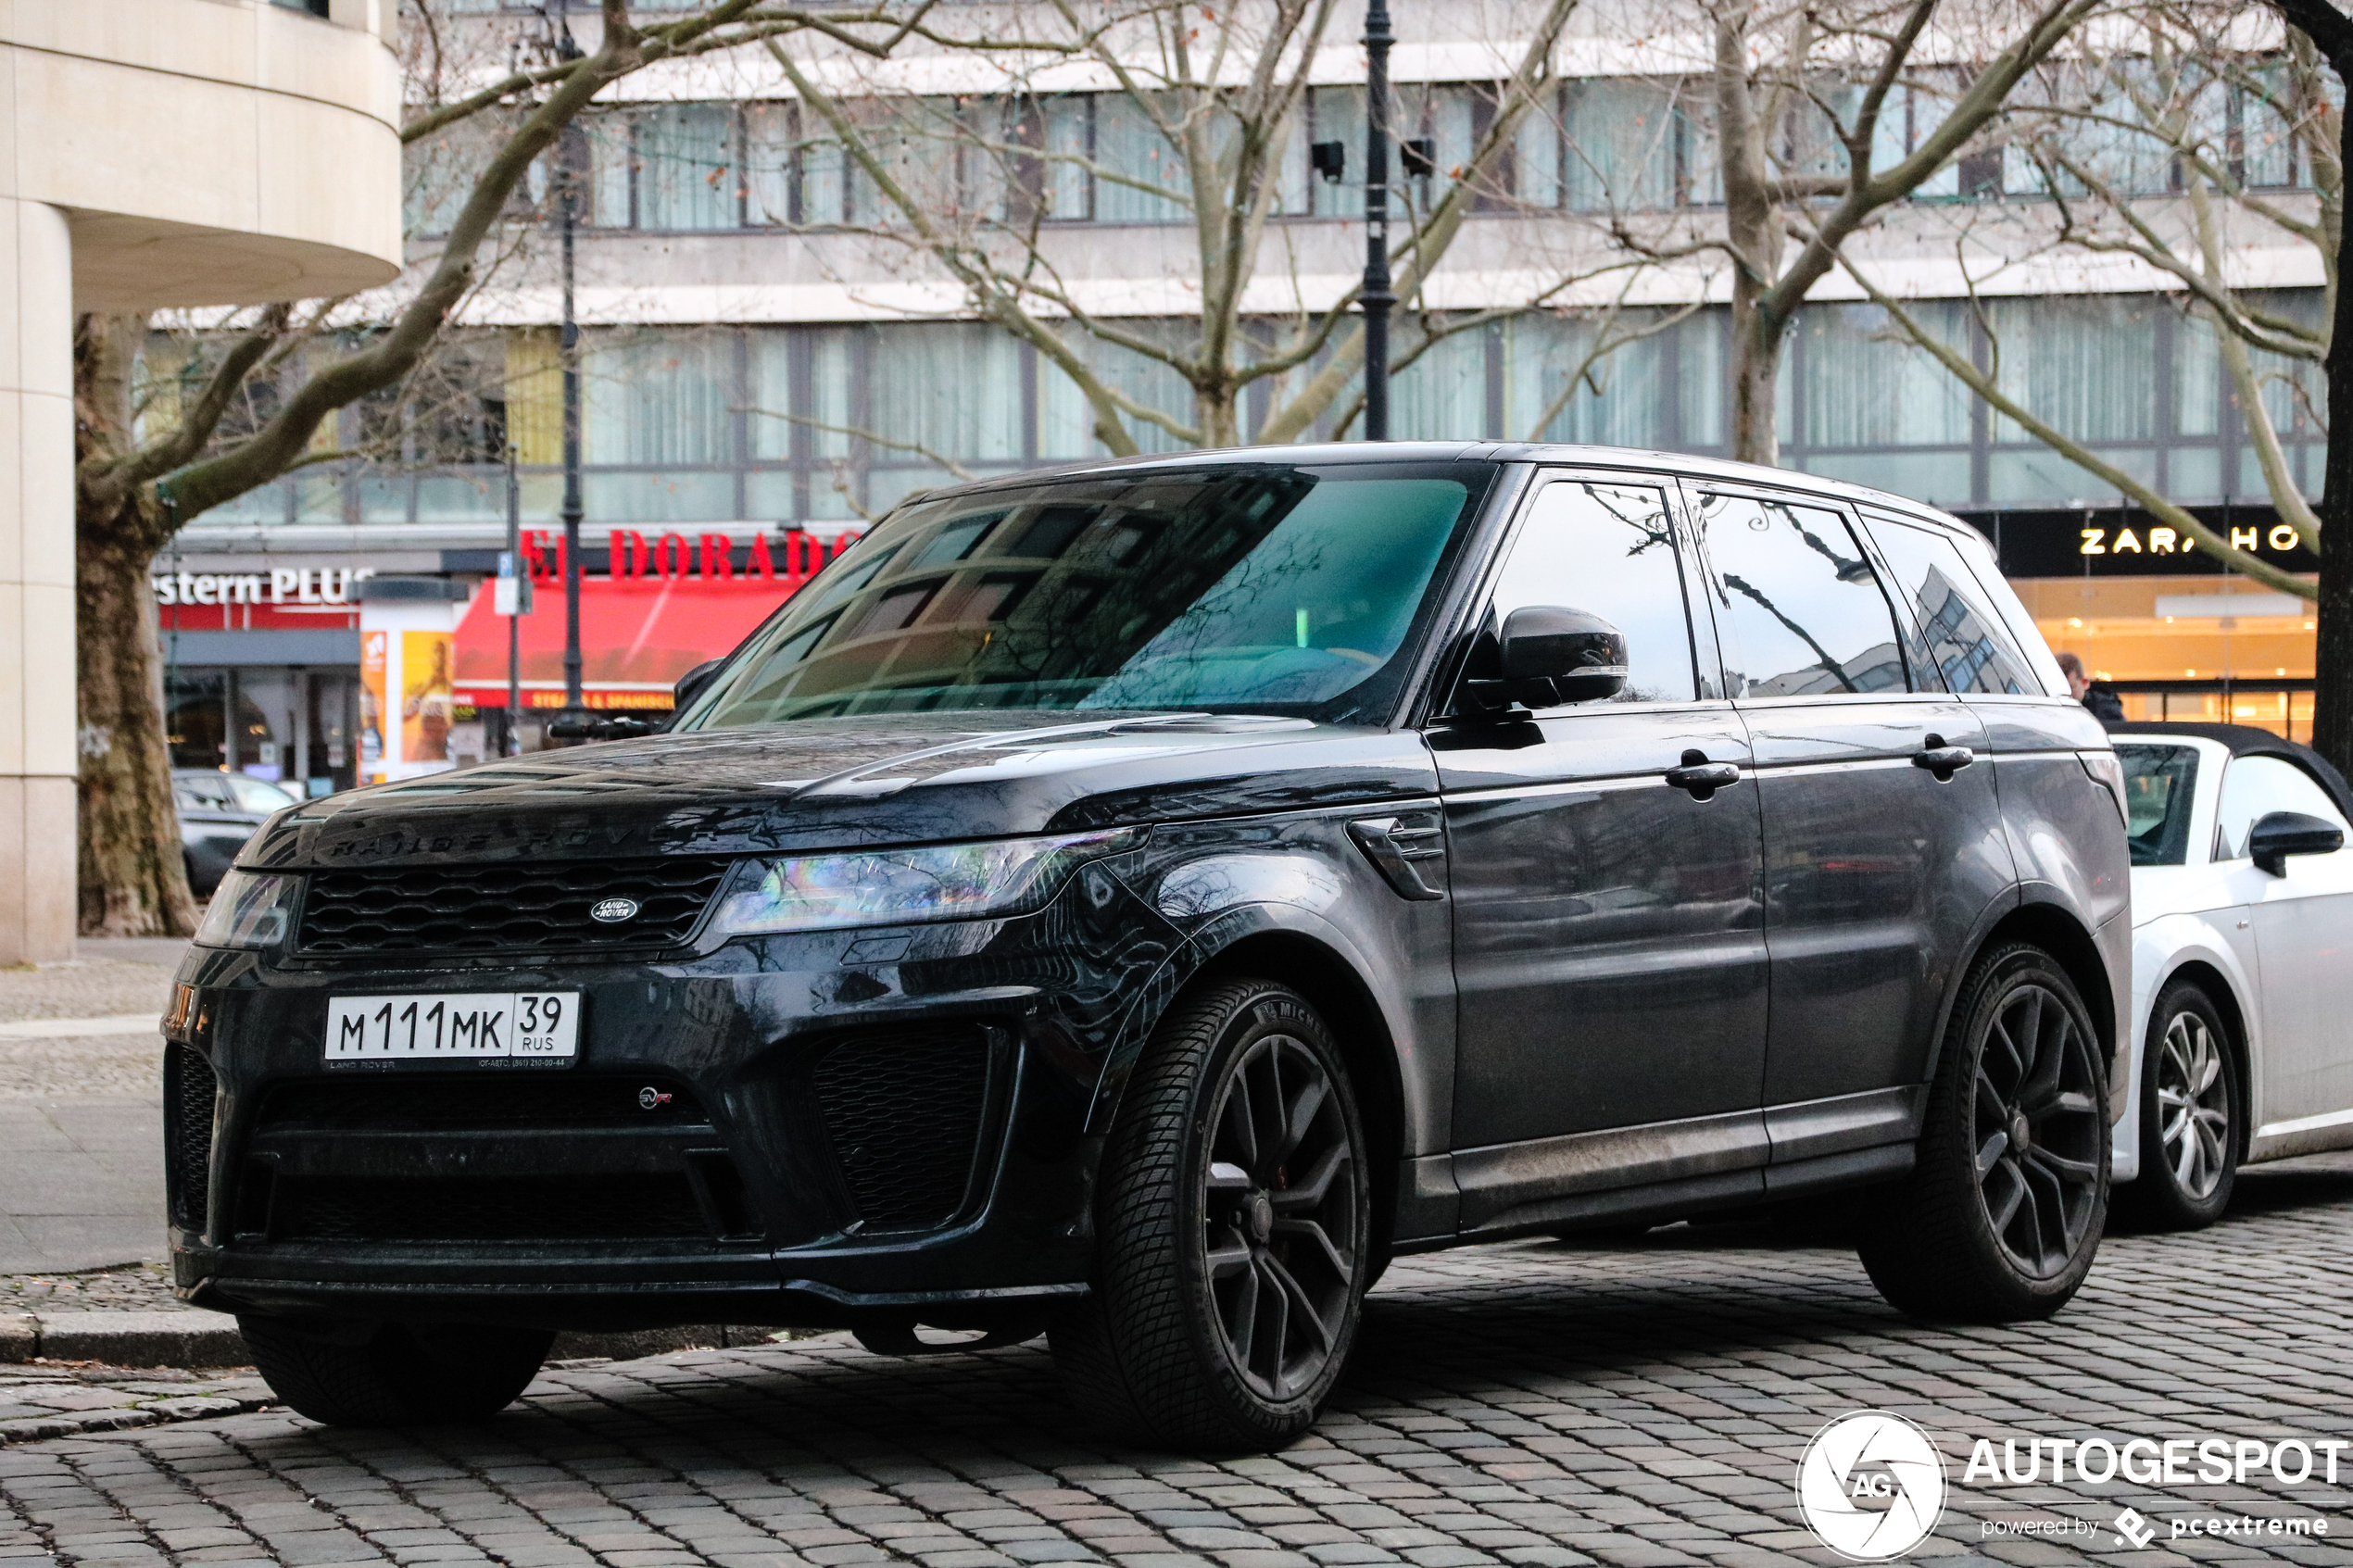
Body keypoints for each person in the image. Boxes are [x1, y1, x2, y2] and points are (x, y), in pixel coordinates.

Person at [2055, 650, 2123, 723]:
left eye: (2070, 689)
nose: (2064, 696)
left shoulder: (2106, 711)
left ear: (2084, 683)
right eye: (2057, 690)